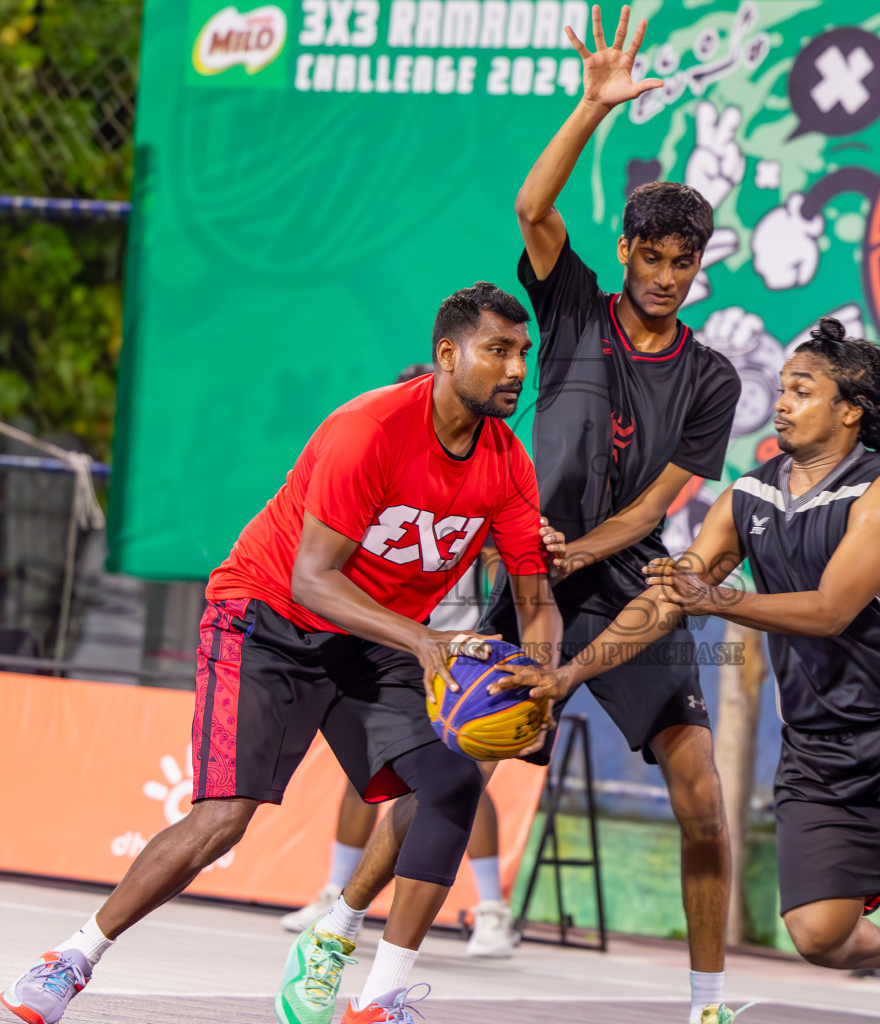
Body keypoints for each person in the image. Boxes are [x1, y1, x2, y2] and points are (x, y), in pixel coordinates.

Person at [330, 8, 744, 1022]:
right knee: (452, 759)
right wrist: (593, 105)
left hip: (616, 579)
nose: (661, 276)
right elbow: (531, 203)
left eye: (680, 263)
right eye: (648, 256)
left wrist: (574, 547)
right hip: (519, 573)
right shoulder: (569, 311)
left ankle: (706, 1001)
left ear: (698, 266)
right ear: (628, 250)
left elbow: (659, 504)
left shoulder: (711, 375)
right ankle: (340, 932)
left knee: (699, 791)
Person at [0, 283, 563, 1024]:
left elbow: (536, 599)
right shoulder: (370, 429)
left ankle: (375, 991)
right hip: (268, 618)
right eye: (499, 351)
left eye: (523, 352)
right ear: (448, 354)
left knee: (453, 782)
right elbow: (315, 578)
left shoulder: (508, 462)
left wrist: (545, 674)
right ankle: (71, 958)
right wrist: (426, 640)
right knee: (223, 817)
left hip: (377, 638)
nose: (517, 368)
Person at [499, 318, 880, 1024]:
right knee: (818, 934)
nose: (781, 403)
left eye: (802, 391)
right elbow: (665, 598)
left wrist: (713, 598)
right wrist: (565, 677)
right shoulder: (751, 496)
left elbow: (832, 609)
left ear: (850, 409)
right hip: (819, 747)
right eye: (781, 389)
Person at [280, 364, 518, 960]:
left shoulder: (482, 473)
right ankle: (337, 892)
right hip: (394, 635)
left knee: (464, 770)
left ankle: (491, 910)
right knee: (368, 776)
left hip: (455, 642)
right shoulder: (378, 456)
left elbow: (502, 550)